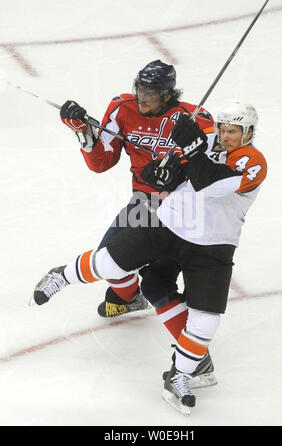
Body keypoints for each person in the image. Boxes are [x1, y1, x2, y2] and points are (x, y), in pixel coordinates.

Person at [32, 101, 267, 414]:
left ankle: (180, 375)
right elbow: (178, 173)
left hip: (214, 246)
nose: (225, 136)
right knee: (110, 262)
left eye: (234, 131)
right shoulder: (208, 140)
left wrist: (193, 149)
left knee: (207, 320)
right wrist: (163, 171)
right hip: (169, 223)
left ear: (249, 133)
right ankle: (62, 275)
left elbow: (208, 183)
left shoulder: (254, 161)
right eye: (223, 129)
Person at [59, 59, 214, 323]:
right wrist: (85, 133)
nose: (142, 97)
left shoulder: (196, 117)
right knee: (108, 261)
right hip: (146, 203)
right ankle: (129, 299)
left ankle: (193, 337)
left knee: (165, 282)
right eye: (140, 89)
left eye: (150, 93)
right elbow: (101, 162)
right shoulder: (122, 109)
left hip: (188, 210)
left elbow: (208, 169)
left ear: (167, 94)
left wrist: (178, 167)